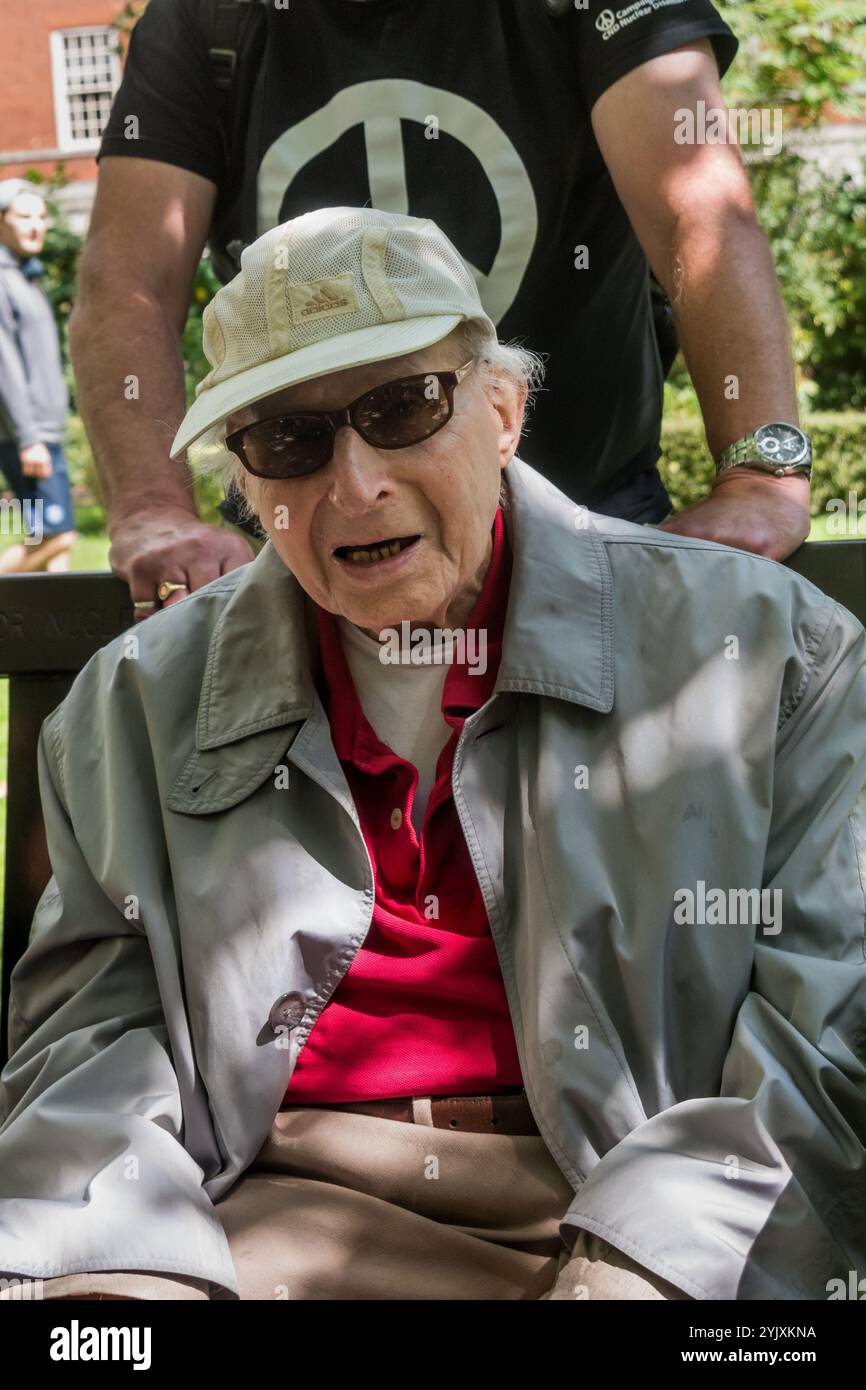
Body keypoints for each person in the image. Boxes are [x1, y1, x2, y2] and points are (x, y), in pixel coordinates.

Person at [0, 207, 862, 1302]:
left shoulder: (766, 656)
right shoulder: (133, 708)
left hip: (624, 1196)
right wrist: (112, 1271)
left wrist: (648, 1266)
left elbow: (822, 1043)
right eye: (288, 438)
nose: (352, 483)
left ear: (501, 411)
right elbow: (88, 1047)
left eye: (401, 406)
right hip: (268, 1209)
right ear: (245, 478)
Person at [70, 0, 812, 622]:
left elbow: (700, 212)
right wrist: (151, 509)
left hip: (590, 535)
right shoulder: (204, 18)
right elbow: (128, 281)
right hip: (314, 563)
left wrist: (759, 473)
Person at [0, 180, 77, 574]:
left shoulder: (25, 276)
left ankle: (55, 636)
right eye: (24, 216)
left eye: (41, 217)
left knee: (48, 543)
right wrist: (29, 439)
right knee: (56, 536)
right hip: (28, 438)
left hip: (44, 433)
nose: (36, 225)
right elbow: (4, 366)